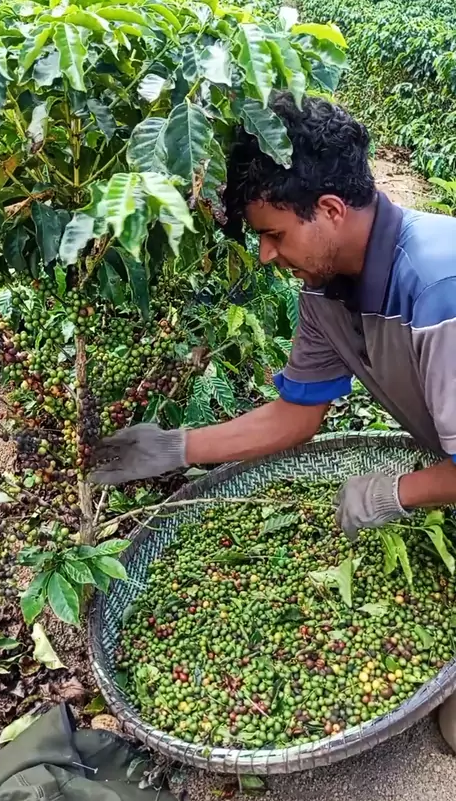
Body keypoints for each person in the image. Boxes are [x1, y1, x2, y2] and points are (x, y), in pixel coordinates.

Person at [91, 92, 456, 541]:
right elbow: (296, 416)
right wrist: (175, 447)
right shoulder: (324, 289)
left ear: (330, 210)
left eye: (275, 235)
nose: (265, 255)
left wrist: (398, 492)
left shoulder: (440, 291)